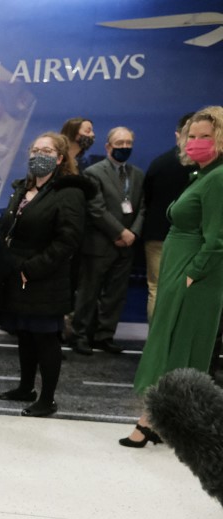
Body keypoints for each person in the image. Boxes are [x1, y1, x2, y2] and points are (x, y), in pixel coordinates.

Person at [120, 105, 223, 447]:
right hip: (181, 272)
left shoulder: (219, 178)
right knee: (171, 347)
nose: (195, 142)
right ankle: (164, 422)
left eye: (205, 136)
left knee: (175, 348)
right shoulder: (203, 175)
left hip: (193, 277)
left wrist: (192, 275)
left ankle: (150, 422)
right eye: (191, 136)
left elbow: (217, 239)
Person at [0, 132, 91, 417]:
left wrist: (31, 270)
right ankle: (25, 388)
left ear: (60, 158)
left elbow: (67, 242)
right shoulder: (22, 188)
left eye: (46, 151)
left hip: (45, 278)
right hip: (18, 276)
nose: (39, 155)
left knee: (46, 339)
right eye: (35, 150)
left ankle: (47, 399)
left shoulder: (70, 192)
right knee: (25, 335)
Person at [71, 127, 145, 355]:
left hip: (127, 246)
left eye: (128, 143)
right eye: (119, 143)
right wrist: (120, 233)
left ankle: (104, 336)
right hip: (99, 244)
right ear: (108, 147)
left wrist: (133, 232)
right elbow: (96, 208)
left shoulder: (138, 175)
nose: (124, 147)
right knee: (88, 293)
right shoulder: (94, 172)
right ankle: (80, 336)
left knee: (115, 294)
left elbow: (143, 207)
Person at [143, 112, 195, 322]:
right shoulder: (206, 167)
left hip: (157, 235)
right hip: (189, 237)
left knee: (156, 288)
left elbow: (147, 197)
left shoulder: (159, 163)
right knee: (186, 289)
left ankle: (156, 338)